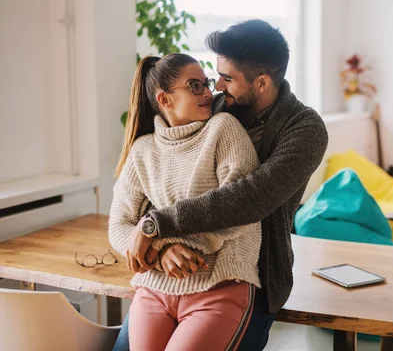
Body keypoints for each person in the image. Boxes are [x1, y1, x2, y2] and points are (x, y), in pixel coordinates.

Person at [112, 19, 328, 351]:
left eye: (226, 79)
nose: (216, 89)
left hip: (250, 272)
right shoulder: (209, 108)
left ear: (262, 82)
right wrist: (160, 249)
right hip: (168, 275)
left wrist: (158, 224)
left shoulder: (305, 129)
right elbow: (153, 183)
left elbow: (251, 199)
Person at [109, 53, 262, 351]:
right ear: (164, 99)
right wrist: (163, 248)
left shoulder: (223, 129)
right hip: (154, 288)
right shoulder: (143, 150)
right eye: (195, 86)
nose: (208, 92)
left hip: (219, 284)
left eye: (206, 83)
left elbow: (240, 210)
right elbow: (118, 224)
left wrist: (162, 235)